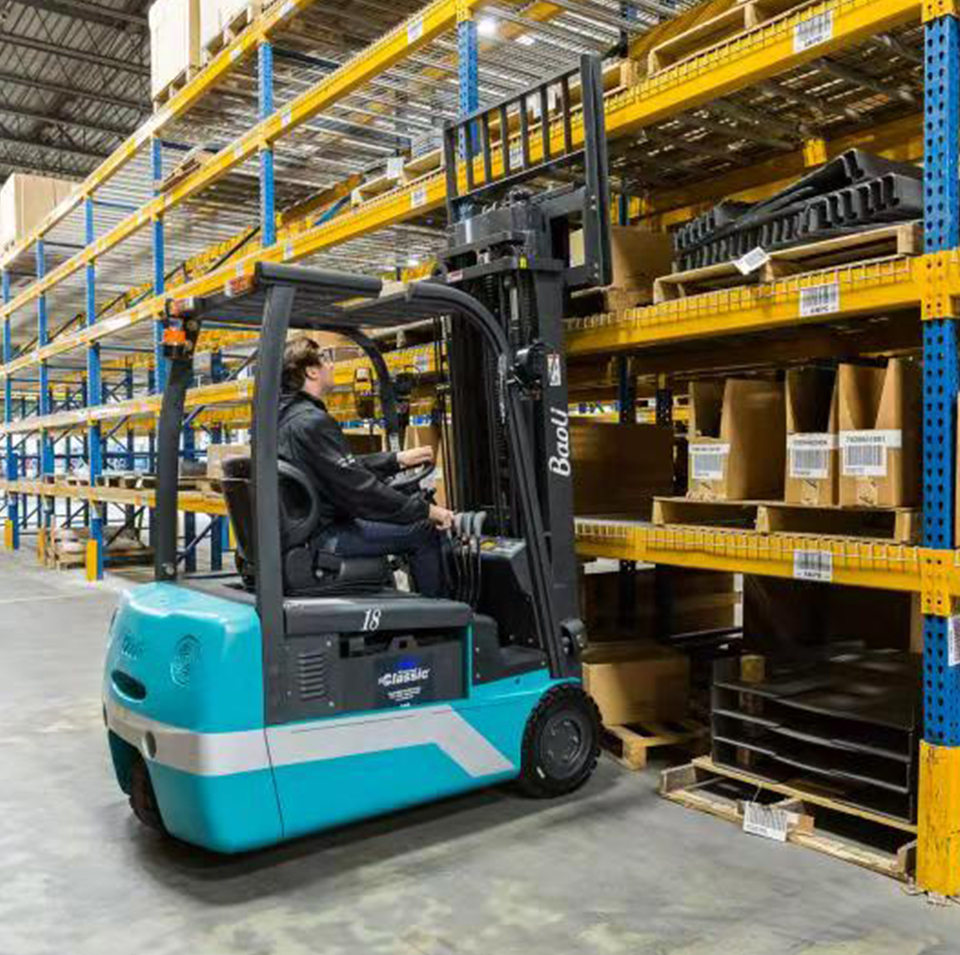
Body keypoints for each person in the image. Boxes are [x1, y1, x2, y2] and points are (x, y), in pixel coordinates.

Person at [277, 336, 454, 598]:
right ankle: (440, 616)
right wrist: (427, 510)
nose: (331, 365)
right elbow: (360, 490)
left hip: (304, 533)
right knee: (425, 531)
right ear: (311, 371)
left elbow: (340, 469)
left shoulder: (285, 419)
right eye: (325, 359)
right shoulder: (312, 422)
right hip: (324, 537)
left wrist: (395, 460)